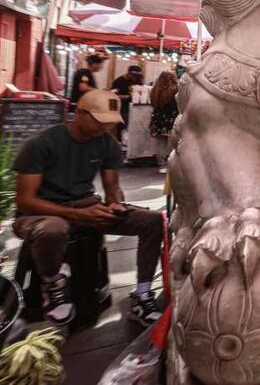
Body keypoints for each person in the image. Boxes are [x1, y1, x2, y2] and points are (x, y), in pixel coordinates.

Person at [12, 90, 164, 326]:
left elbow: (112, 187)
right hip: (38, 213)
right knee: (53, 229)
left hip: (84, 206)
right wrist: (76, 213)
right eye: (98, 120)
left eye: (109, 122)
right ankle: (53, 283)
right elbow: (25, 201)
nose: (104, 127)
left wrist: (115, 204)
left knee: (152, 220)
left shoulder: (106, 143)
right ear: (79, 113)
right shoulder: (41, 144)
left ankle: (142, 294)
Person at [149, 71, 180, 174]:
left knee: (161, 143)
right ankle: (171, 162)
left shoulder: (155, 90)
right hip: (171, 119)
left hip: (158, 119)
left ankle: (162, 165)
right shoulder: (176, 90)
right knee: (173, 142)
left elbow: (153, 104)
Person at [110, 65, 144, 141]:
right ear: (129, 74)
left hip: (135, 108)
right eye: (134, 76)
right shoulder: (118, 81)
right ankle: (120, 142)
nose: (135, 79)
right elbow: (112, 95)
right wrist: (128, 96)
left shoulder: (138, 81)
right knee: (122, 127)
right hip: (122, 108)